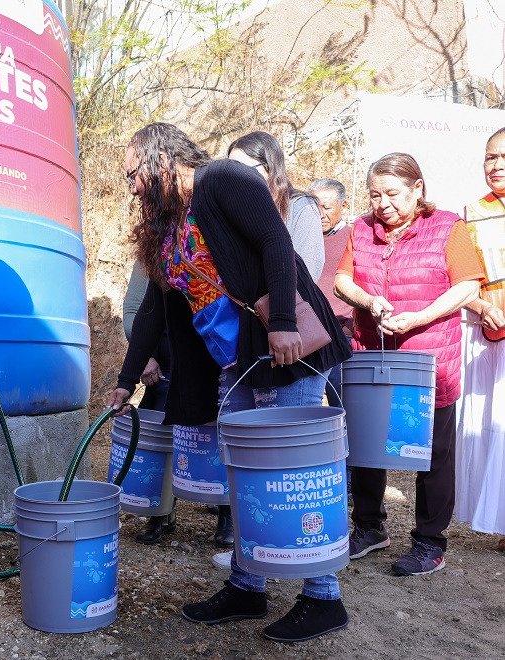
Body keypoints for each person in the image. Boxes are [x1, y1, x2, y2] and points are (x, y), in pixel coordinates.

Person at [107, 123, 351, 642]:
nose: (131, 186)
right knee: (241, 472)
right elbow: (154, 308)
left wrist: (282, 320)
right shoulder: (166, 226)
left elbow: (275, 242)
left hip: (286, 346)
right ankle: (247, 585)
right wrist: (127, 380)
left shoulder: (222, 178)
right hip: (237, 360)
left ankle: (323, 597)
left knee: (294, 466)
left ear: (160, 159)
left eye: (133, 173)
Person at [334, 152, 484, 576]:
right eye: (375, 195)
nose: (383, 204)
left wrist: (419, 317)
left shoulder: (448, 226)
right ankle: (369, 527)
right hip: (372, 352)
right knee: (366, 443)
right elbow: (343, 281)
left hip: (430, 358)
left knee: (432, 451)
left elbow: (467, 285)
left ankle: (429, 542)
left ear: (418, 189)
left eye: (393, 193)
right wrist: (368, 300)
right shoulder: (361, 229)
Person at [208, 130, 328, 562]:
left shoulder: (299, 207)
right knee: (249, 450)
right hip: (250, 340)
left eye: (247, 168)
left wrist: (278, 318)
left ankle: (305, 562)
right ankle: (254, 556)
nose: (238, 177)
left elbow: (305, 267)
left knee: (288, 452)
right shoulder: (228, 208)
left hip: (291, 334)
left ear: (270, 168)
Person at [455, 127, 505, 551]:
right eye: (490, 157)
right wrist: (480, 306)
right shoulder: (470, 215)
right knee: (491, 426)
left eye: (504, 156)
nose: (496, 165)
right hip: (486, 333)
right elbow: (459, 278)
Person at [121, 262, 176, 544]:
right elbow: (133, 311)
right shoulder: (151, 252)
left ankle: (226, 512)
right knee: (157, 434)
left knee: (213, 433)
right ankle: (161, 512)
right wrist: (145, 355)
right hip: (163, 358)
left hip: (208, 352)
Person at [227, 131, 325, 279]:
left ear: (270, 168)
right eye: (230, 170)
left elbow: (307, 274)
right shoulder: (234, 209)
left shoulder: (301, 208)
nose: (235, 177)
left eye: (243, 169)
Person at [310, 178, 354, 407]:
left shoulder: (353, 238)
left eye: (326, 207)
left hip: (341, 333)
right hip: (309, 336)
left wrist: (349, 327)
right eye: (315, 207)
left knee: (343, 404)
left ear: (343, 206)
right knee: (308, 406)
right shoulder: (303, 237)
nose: (320, 214)